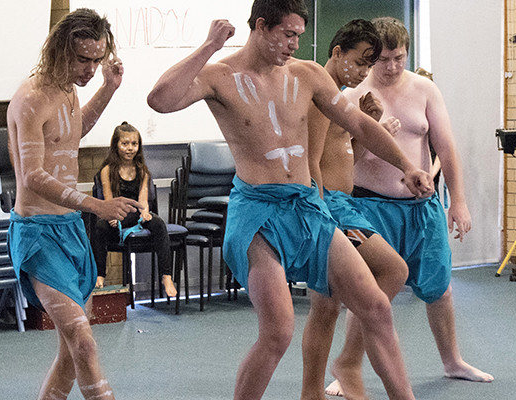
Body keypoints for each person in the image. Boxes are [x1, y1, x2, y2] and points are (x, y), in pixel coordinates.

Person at [148, 1, 434, 398]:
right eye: (287, 34)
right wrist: (210, 46)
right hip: (258, 214)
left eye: (299, 35)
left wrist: (407, 165)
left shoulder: (308, 74)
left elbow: (359, 124)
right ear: (261, 26)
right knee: (278, 332)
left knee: (377, 307)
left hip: (307, 207)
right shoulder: (219, 76)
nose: (295, 44)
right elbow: (160, 100)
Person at [343, 16, 493, 385]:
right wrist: (373, 134)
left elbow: (446, 147)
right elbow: (340, 160)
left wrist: (458, 201)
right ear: (371, 57)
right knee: (368, 289)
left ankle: (453, 361)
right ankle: (349, 368)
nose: (392, 67)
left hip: (421, 208)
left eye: (399, 58)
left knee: (439, 288)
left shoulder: (425, 89)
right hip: (369, 207)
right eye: (383, 60)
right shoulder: (352, 95)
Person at [6, 9, 140, 399]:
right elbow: (32, 175)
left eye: (97, 60)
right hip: (38, 234)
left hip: (70, 231)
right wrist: (95, 206)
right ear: (59, 50)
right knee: (82, 341)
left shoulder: (68, 88)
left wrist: (109, 88)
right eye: (83, 59)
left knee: (70, 352)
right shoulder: (31, 98)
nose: (90, 69)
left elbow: (72, 132)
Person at [296, 19, 412, 400]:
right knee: (393, 269)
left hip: (343, 202)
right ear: (337, 52)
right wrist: (320, 215)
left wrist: (370, 123)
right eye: (361, 62)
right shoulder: (320, 95)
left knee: (326, 307)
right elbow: (312, 164)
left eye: (369, 65)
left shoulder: (340, 98)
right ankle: (347, 362)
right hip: (330, 207)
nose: (364, 72)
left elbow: (348, 158)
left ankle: (315, 389)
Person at [91, 121, 177, 297]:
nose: (130, 148)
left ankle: (166, 276)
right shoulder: (107, 170)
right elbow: (108, 199)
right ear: (116, 145)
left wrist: (144, 212)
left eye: (134, 144)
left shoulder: (142, 170)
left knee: (159, 224)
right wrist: (111, 216)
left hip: (134, 215)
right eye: (125, 143)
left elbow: (143, 199)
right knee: (99, 227)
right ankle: (100, 274)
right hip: (117, 214)